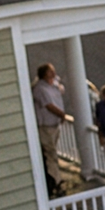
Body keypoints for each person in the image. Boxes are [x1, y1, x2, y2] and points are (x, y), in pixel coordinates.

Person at [29, 63, 71, 197]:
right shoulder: (40, 89)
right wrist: (62, 114)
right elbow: (49, 106)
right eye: (50, 71)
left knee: (53, 151)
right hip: (46, 126)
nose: (53, 73)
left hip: (55, 125)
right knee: (50, 154)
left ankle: (56, 178)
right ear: (44, 74)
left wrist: (57, 84)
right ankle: (55, 181)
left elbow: (61, 90)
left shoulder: (54, 83)